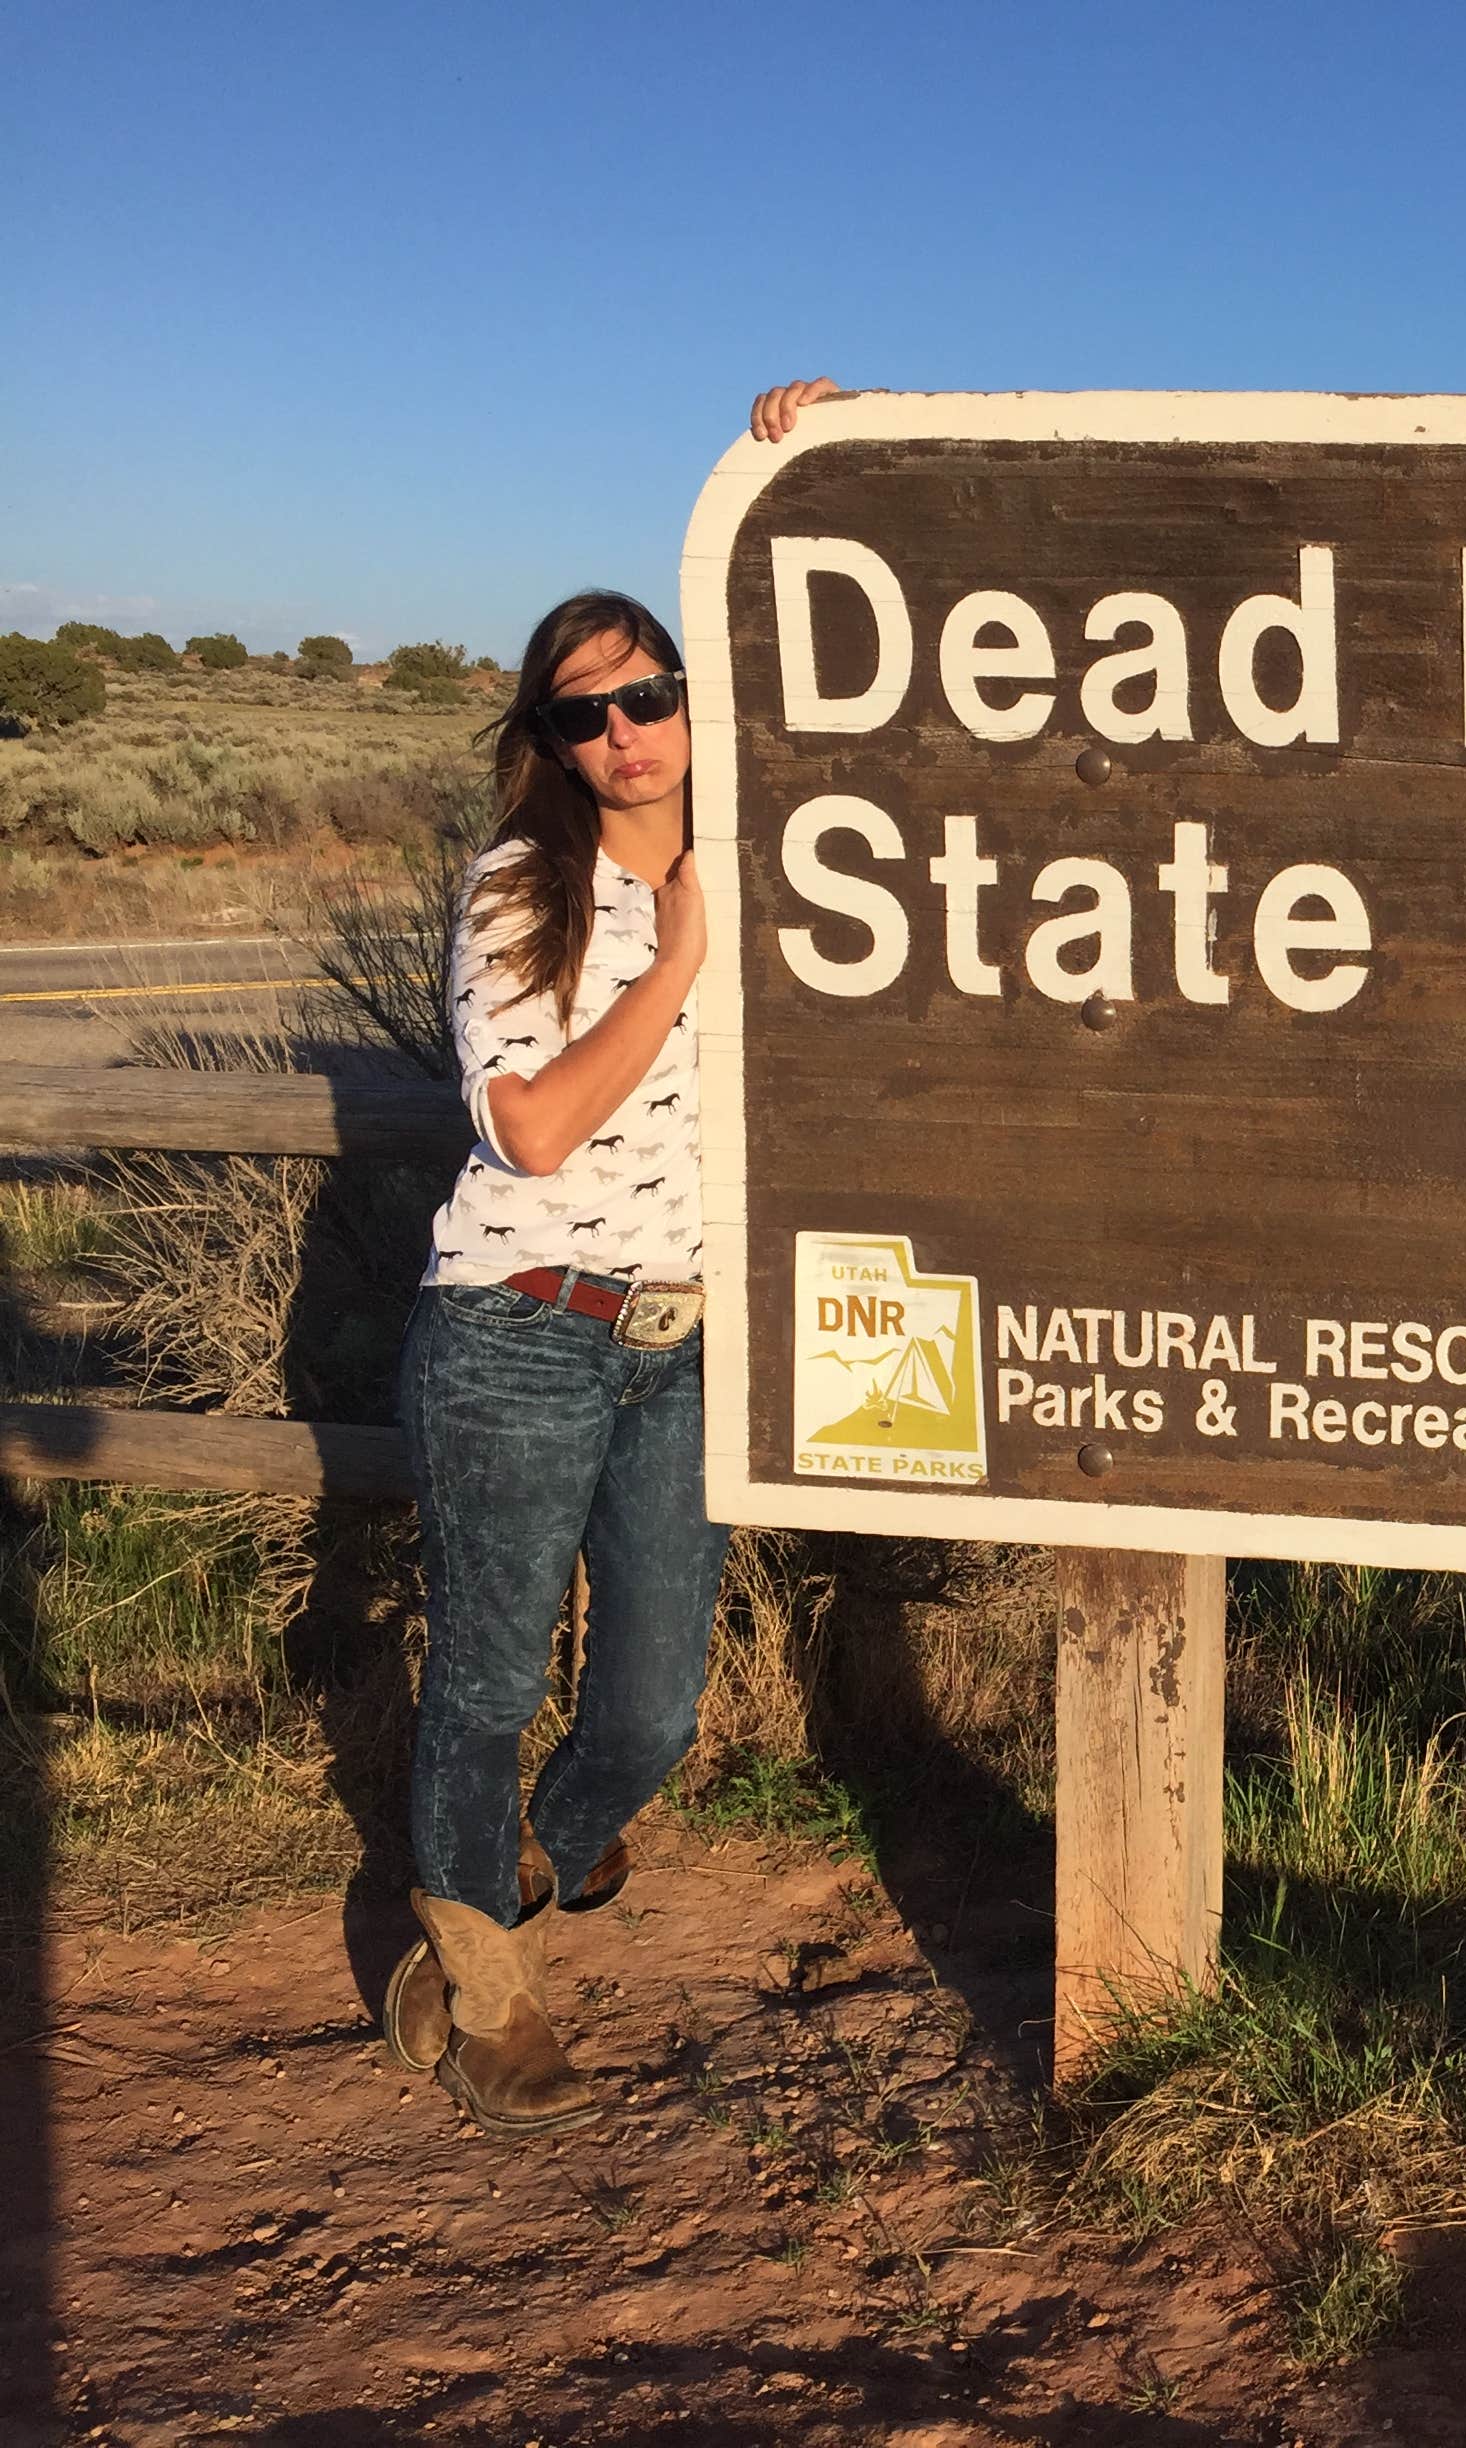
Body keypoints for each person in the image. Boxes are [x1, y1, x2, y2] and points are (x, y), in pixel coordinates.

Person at [380, 378, 841, 2132]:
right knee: (488, 1674)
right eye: (589, 716)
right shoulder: (521, 892)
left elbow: (835, 638)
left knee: (650, 1701)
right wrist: (671, 963)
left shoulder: (784, 853)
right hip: (518, 1324)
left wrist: (818, 449)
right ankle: (491, 1997)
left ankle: (519, 1865)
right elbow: (537, 1130)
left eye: (654, 696)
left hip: (685, 1342)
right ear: (551, 741)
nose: (629, 733)